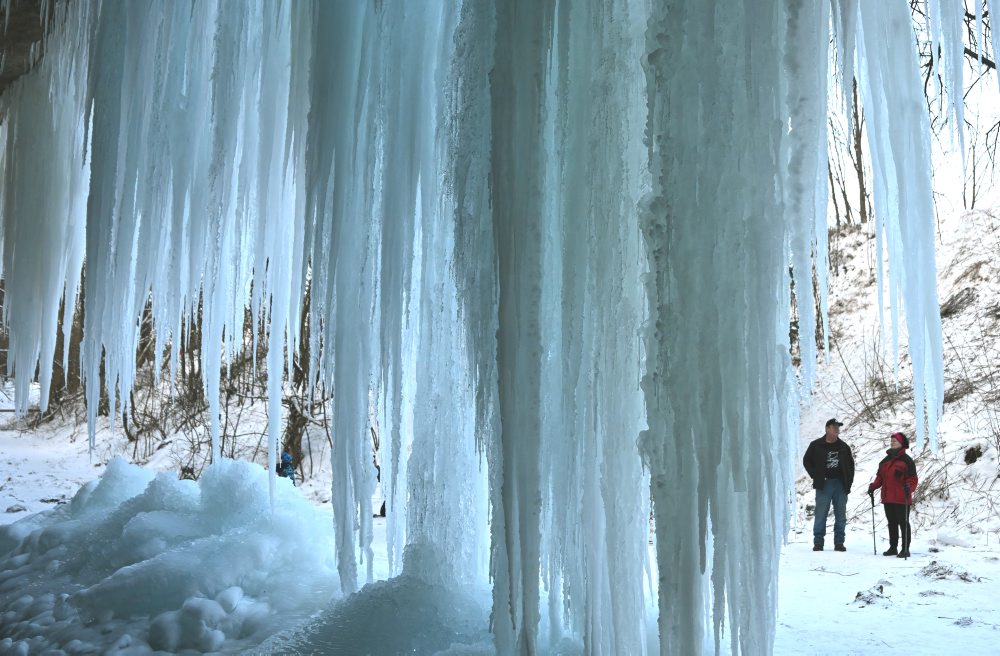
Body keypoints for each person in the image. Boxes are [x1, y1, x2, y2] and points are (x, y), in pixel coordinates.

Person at [803, 418, 855, 552]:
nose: (837, 429)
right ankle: (818, 542)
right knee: (820, 514)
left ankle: (839, 543)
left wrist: (848, 483)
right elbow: (806, 461)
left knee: (841, 515)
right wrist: (816, 475)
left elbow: (851, 466)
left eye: (838, 427)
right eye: (834, 426)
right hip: (824, 484)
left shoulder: (844, 447)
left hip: (840, 484)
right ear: (827, 429)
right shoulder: (816, 445)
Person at [867, 431, 918, 557]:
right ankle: (893, 548)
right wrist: (873, 486)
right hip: (888, 497)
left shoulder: (907, 461)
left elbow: (913, 479)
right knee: (892, 523)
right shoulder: (885, 461)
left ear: (901, 443)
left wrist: (909, 487)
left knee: (903, 523)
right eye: (891, 441)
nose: (892, 443)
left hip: (902, 498)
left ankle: (905, 549)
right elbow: (880, 477)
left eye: (895, 441)